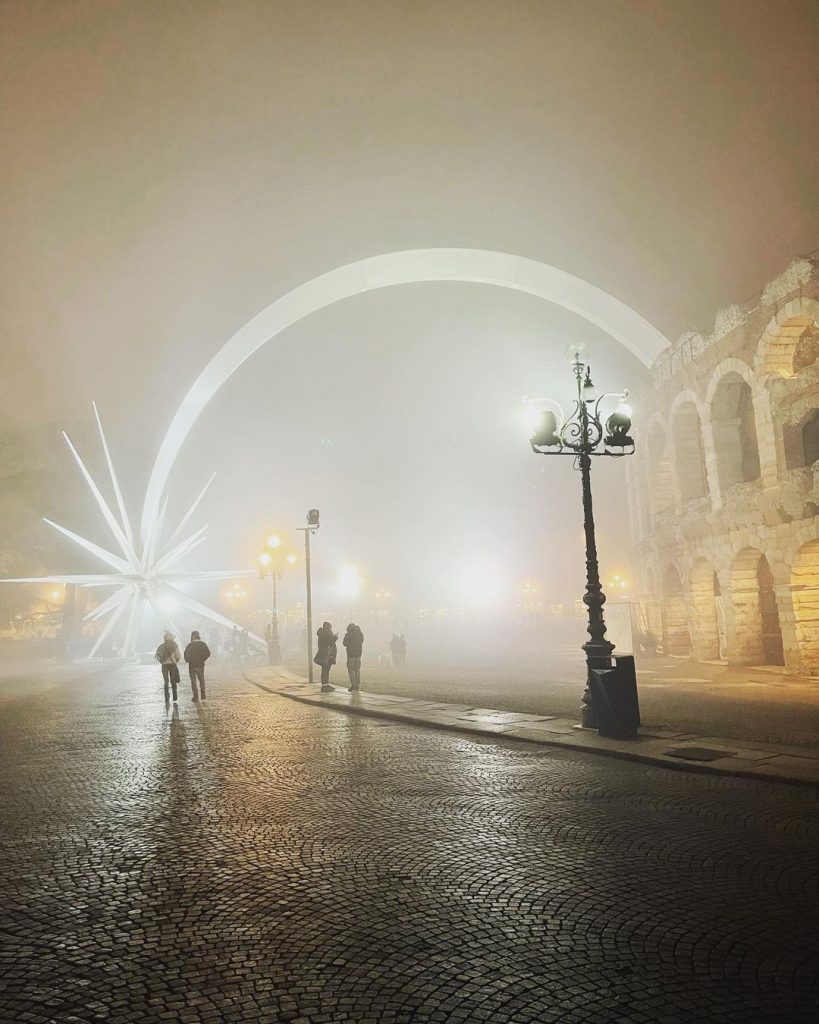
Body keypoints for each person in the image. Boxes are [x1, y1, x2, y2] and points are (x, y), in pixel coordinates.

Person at [184, 630, 211, 702]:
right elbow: (208, 653)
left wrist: (188, 660)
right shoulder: (203, 644)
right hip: (200, 665)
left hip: (192, 665)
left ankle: (195, 697)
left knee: (193, 681)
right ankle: (203, 692)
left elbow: (185, 654)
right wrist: (202, 659)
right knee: (201, 679)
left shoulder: (189, 645)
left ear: (192, 636)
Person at [155, 631, 181, 704]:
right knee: (173, 681)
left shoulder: (162, 646)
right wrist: (176, 661)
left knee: (166, 681)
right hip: (172, 664)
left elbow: (158, 656)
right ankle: (175, 696)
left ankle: (166, 696)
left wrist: (162, 662)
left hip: (164, 665)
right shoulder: (174, 645)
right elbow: (178, 655)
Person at [315, 621, 337, 690]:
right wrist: (334, 638)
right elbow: (328, 643)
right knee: (325, 670)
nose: (331, 630)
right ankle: (325, 686)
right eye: (330, 628)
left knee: (325, 670)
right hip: (326, 655)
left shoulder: (323, 634)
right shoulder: (324, 634)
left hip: (326, 654)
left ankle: (325, 685)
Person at [343, 623, 364, 691]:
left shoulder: (349, 635)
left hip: (351, 655)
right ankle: (357, 685)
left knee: (351, 670)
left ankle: (353, 685)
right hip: (358, 655)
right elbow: (362, 641)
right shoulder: (360, 634)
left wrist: (346, 636)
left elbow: (344, 643)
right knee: (357, 670)